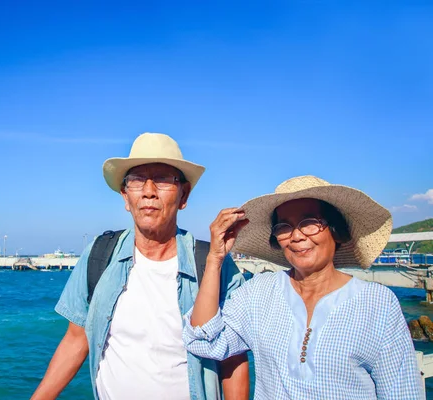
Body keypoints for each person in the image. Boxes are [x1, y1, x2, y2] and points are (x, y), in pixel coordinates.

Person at [31, 133, 249, 400]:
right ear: (125, 196)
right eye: (136, 180)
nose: (148, 191)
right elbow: (77, 339)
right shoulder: (100, 255)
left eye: (162, 179)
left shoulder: (212, 263)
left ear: (184, 195)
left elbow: (233, 359)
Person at [184, 175, 425, 399]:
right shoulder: (258, 292)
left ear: (336, 231)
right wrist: (215, 258)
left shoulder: (377, 302)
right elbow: (205, 340)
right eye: (285, 227)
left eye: (309, 223)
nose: (296, 236)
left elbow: (402, 392)